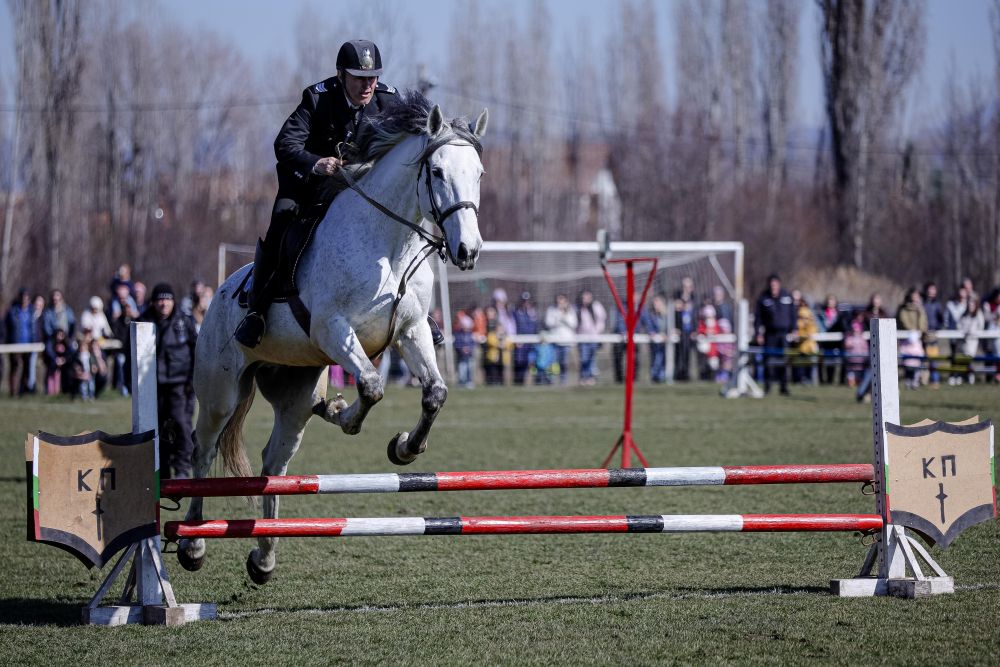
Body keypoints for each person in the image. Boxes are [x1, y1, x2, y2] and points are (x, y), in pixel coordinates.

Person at [235, 39, 412, 348]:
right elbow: (285, 145)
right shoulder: (317, 99)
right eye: (359, 78)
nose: (368, 85)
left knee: (404, 228)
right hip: (309, 189)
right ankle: (257, 311)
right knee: (281, 224)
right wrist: (317, 164)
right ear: (341, 75)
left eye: (373, 77)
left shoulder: (389, 101)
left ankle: (417, 312)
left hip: (362, 194)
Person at [138, 283, 198, 478]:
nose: (164, 303)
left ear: (174, 301)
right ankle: (161, 471)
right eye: (160, 299)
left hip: (181, 385)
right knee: (157, 429)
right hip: (152, 386)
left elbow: (197, 351)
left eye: (168, 299)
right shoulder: (142, 322)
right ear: (153, 302)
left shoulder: (185, 321)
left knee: (181, 425)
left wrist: (192, 381)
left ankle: (182, 469)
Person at [754, 274, 795, 395]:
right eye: (771, 285)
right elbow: (758, 318)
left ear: (779, 284)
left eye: (775, 284)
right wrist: (758, 334)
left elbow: (793, 315)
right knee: (768, 361)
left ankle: (784, 387)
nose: (773, 287)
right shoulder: (763, 298)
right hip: (770, 334)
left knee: (784, 361)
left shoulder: (787, 296)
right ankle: (767, 386)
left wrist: (794, 329)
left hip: (784, 334)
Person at [4, 289, 34, 396]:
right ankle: (13, 391)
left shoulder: (31, 312)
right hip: (15, 343)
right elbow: (7, 327)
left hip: (28, 344)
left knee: (27, 368)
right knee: (15, 367)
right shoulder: (13, 311)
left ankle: (23, 390)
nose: (24, 300)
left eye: (26, 298)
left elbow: (33, 328)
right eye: (23, 298)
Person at [544, 294, 578, 385]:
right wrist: (558, 315)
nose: (560, 303)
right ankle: (550, 381)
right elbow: (549, 323)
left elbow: (574, 324)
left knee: (564, 363)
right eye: (558, 301)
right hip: (554, 340)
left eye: (562, 301)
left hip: (566, 341)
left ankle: (563, 381)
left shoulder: (571, 311)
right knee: (552, 363)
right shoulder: (552, 310)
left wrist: (564, 315)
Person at [576, 289, 606, 385]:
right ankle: (583, 377)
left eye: (588, 297)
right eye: (584, 297)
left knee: (592, 359)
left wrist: (597, 332)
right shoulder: (578, 308)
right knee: (584, 358)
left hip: (594, 338)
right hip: (582, 338)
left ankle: (590, 377)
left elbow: (602, 320)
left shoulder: (596, 306)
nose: (586, 299)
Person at [512, 292, 539, 385]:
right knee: (519, 362)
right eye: (524, 301)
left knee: (531, 363)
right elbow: (514, 326)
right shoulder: (516, 313)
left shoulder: (532, 313)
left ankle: (532, 381)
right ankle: (518, 382)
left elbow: (535, 327)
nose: (526, 303)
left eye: (527, 301)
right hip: (520, 342)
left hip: (531, 343)